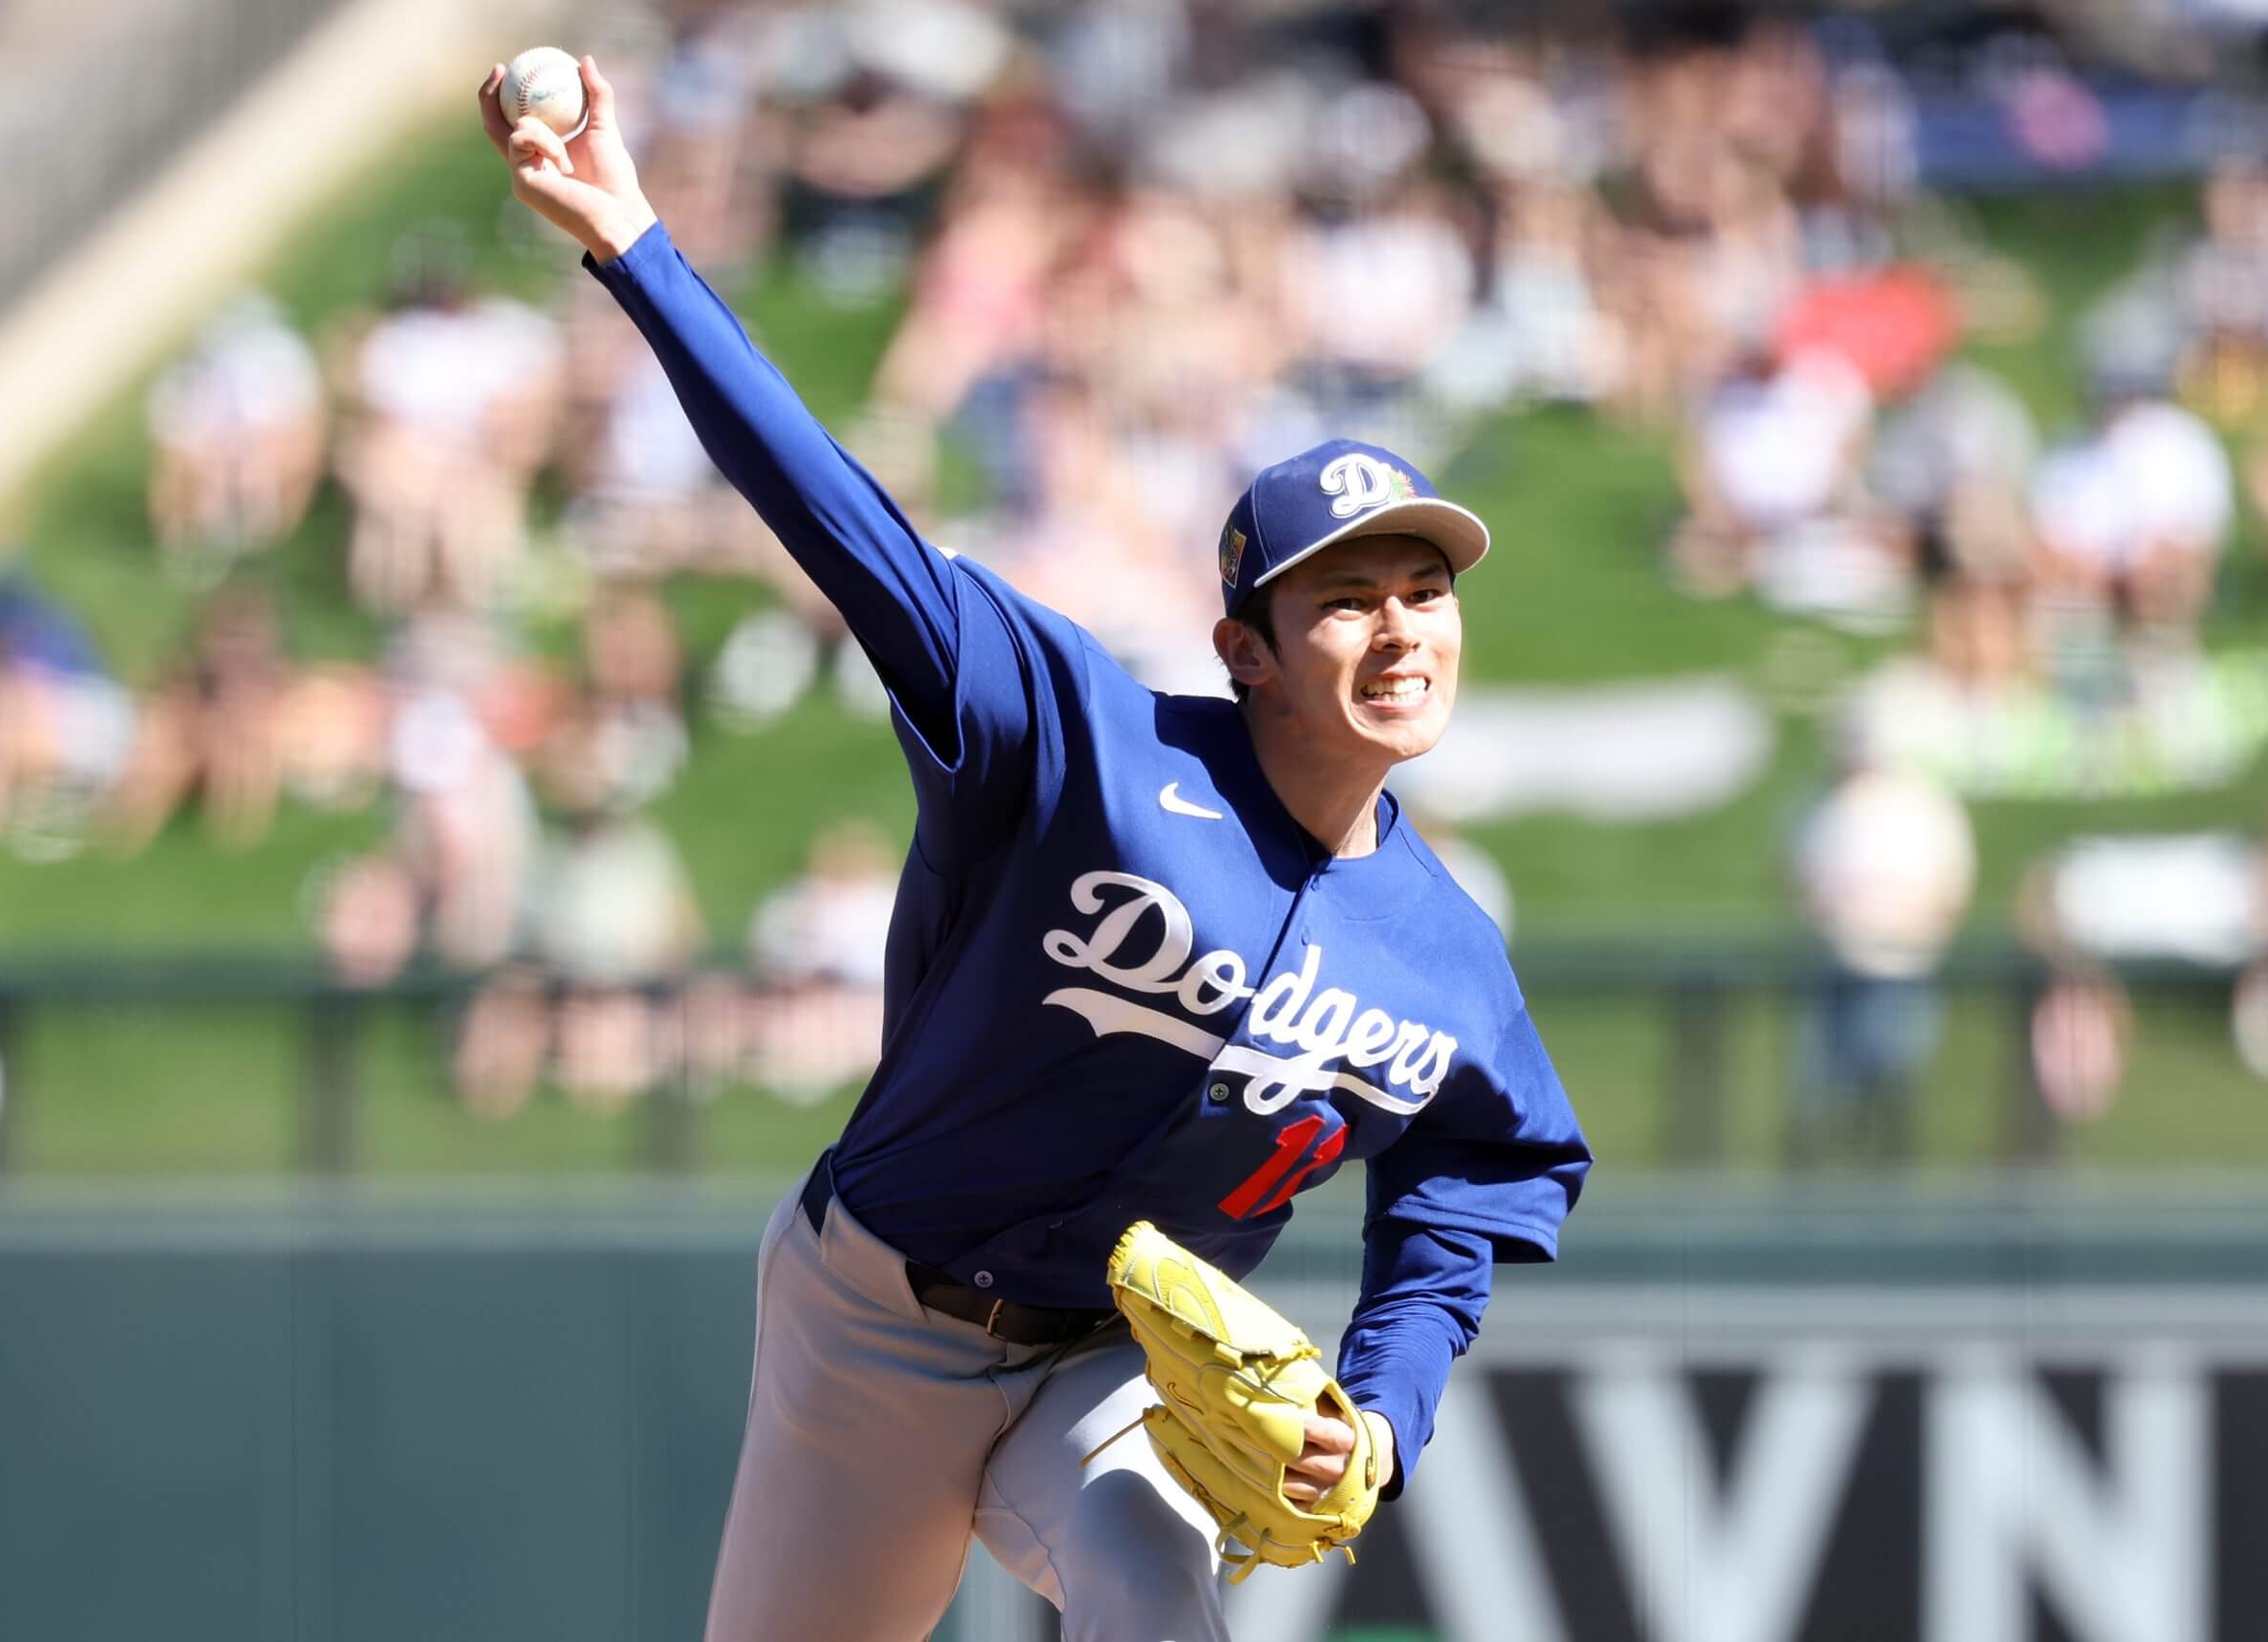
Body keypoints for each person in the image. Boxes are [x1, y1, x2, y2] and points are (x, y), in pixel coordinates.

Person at [481, 58, 1590, 1640]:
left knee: (1161, 1607)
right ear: (1248, 647)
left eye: (1427, 590)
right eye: (1347, 597)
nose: (1401, 627)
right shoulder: (1092, 744)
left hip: (1108, 1364)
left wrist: (1390, 1407)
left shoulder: (1446, 958)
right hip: (878, 1322)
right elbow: (846, 526)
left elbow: (1477, 1180)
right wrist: (636, 248)